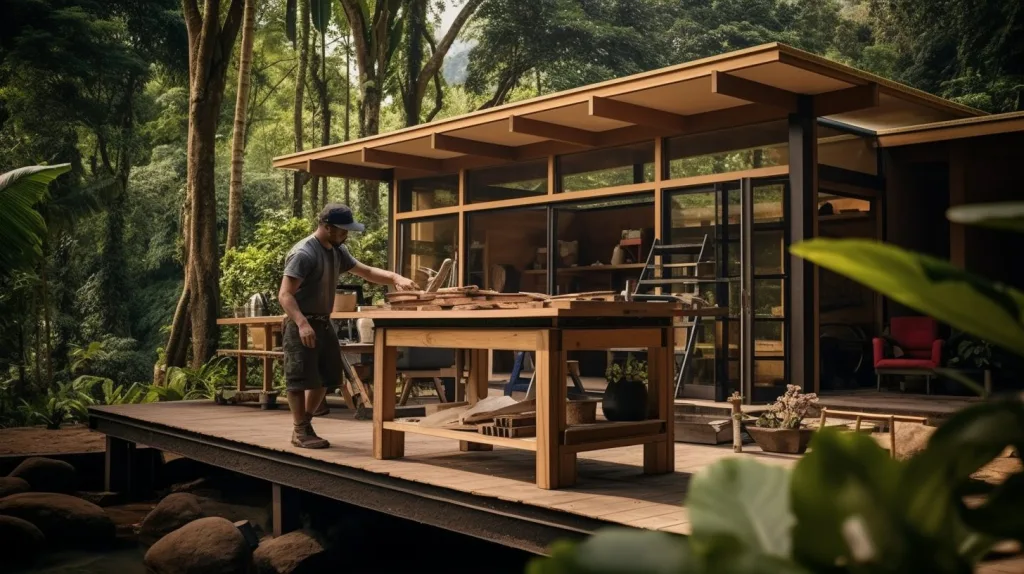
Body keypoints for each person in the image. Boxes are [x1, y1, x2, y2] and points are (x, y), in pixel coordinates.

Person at [278, 203, 418, 449]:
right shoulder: (304, 253)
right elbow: (285, 295)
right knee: (299, 379)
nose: (347, 235)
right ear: (327, 227)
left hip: (323, 322)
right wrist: (301, 323)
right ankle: (300, 430)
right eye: (343, 230)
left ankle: (305, 424)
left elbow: (366, 271)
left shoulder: (336, 250)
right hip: (301, 323)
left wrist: (396, 278)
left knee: (329, 377)